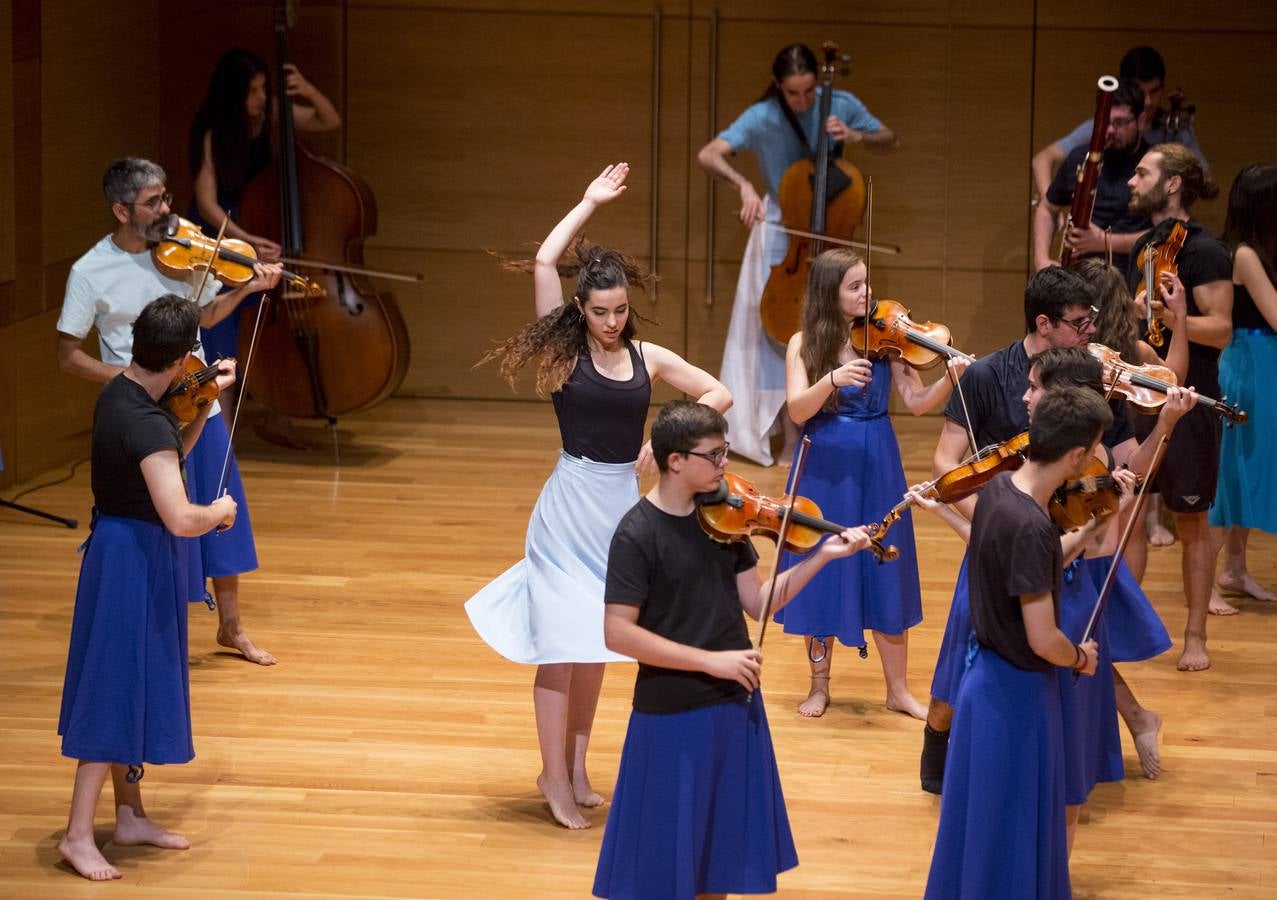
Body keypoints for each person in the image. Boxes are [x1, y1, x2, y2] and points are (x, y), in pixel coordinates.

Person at [465, 164, 731, 830]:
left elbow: (716, 393)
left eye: (619, 310)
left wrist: (665, 439)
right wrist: (586, 201)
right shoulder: (563, 356)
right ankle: (552, 775)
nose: (611, 321)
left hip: (620, 510)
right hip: (566, 511)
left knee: (600, 644)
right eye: (599, 310)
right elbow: (547, 260)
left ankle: (578, 768)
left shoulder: (646, 356)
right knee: (562, 645)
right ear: (579, 310)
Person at [592, 400, 871, 900]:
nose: (726, 464)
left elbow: (759, 603)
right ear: (676, 460)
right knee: (668, 865)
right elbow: (618, 633)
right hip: (673, 711)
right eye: (715, 455)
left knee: (715, 866)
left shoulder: (724, 519)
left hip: (733, 701)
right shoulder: (636, 534)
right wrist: (710, 661)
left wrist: (823, 558)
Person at [920, 267, 1180, 793]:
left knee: (1060, 666)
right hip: (1004, 535)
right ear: (1045, 322)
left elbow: (1126, 470)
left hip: (1065, 542)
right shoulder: (990, 375)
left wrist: (1169, 424)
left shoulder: (1095, 385)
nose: (1092, 332)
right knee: (959, 666)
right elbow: (945, 463)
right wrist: (995, 521)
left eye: (1092, 321)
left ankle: (1055, 777)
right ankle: (940, 758)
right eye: (1080, 323)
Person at [55, 157, 282, 665]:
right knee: (163, 521)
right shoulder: (90, 272)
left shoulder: (180, 254)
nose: (167, 212)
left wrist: (246, 289)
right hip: (142, 413)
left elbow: (203, 315)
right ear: (120, 210)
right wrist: (135, 379)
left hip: (199, 397)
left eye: (166, 198)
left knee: (222, 509)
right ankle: (165, 637)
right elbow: (68, 355)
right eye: (152, 203)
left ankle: (232, 628)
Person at [56, 295, 238, 881]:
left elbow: (162, 464)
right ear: (186, 355)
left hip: (127, 549)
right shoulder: (148, 423)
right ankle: (78, 835)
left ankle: (129, 814)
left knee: (131, 683)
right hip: (129, 561)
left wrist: (201, 412)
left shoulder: (121, 393)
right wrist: (221, 510)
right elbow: (183, 518)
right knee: (113, 688)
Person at [923, 386, 1109, 900]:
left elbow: (1044, 560)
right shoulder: (1031, 524)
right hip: (1014, 697)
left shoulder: (1001, 490)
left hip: (986, 684)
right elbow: (1043, 637)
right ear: (1077, 455)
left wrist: (1094, 527)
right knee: (1008, 833)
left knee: (987, 831)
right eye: (1094, 449)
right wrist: (1081, 657)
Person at [774, 248, 968, 719]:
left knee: (886, 566)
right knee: (822, 564)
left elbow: (917, 401)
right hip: (824, 464)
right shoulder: (803, 343)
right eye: (855, 286)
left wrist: (950, 379)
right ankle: (819, 685)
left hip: (878, 458)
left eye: (867, 284)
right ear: (830, 292)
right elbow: (798, 410)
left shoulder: (884, 339)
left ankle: (897, 690)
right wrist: (833, 381)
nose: (867, 294)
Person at [696, 43, 897, 466]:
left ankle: (823, 425)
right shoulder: (762, 116)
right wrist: (743, 185)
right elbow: (709, 153)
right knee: (781, 332)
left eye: (809, 92)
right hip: (783, 233)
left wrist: (857, 135)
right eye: (794, 94)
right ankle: (789, 436)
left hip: (831, 234)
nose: (804, 101)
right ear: (778, 87)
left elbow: (887, 138)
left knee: (833, 331)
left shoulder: (838, 101)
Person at [188, 48, 341, 438]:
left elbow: (329, 119)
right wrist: (247, 239)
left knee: (269, 325)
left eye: (263, 88)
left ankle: (276, 412)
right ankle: (220, 434)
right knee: (219, 330)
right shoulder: (213, 133)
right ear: (233, 94)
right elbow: (206, 203)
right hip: (222, 237)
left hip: (257, 227)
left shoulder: (271, 115)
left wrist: (305, 88)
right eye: (253, 91)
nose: (261, 97)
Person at [1125, 143, 1230, 669]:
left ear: (1171, 183)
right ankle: (1128, 629)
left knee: (1191, 522)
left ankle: (1195, 638)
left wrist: (1178, 315)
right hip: (1140, 396)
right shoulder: (1143, 246)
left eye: (1142, 173)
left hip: (1190, 401)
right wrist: (1133, 310)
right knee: (1132, 513)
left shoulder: (1206, 251)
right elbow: (1135, 328)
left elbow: (1224, 329)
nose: (1130, 181)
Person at [1077, 255, 1189, 576]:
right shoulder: (1135, 351)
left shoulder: (1064, 351)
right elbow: (1174, 377)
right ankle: (1125, 602)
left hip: (1077, 442)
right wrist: (1178, 319)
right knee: (1132, 524)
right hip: (1119, 444)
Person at [1211, 163, 1277, 605]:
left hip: (1264, 361)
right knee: (1233, 469)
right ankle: (1211, 576)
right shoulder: (1246, 254)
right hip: (1251, 362)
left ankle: (1235, 568)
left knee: (1253, 466)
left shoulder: (1260, 250)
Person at [1032, 46, 1209, 203]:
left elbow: (1206, 183)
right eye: (1141, 92)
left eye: (1154, 92)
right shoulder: (1106, 127)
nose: (1147, 102)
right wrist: (1047, 204)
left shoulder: (1175, 130)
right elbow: (1043, 159)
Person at [1034, 80, 1151, 273]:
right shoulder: (1081, 158)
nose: (1111, 130)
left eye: (1120, 122)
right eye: (1105, 120)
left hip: (1132, 284)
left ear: (1141, 120)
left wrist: (1104, 242)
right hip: (1080, 279)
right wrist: (1041, 259)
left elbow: (1166, 234)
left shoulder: (1155, 166)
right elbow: (1047, 208)